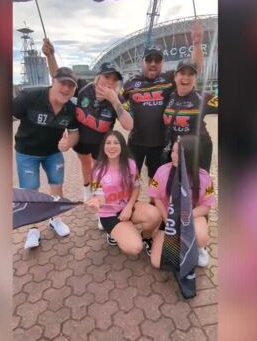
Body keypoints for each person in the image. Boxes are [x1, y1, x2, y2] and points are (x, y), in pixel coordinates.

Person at [42, 39, 133, 233]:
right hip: (80, 139)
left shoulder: (116, 98)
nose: (109, 82)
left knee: (101, 174)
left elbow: (128, 124)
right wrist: (50, 55)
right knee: (85, 165)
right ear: (98, 76)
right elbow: (58, 78)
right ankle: (85, 189)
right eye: (106, 77)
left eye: (114, 80)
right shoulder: (82, 87)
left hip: (101, 144)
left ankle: (103, 213)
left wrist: (114, 100)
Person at [122, 19, 204, 181]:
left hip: (160, 145)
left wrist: (196, 44)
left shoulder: (169, 78)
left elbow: (195, 69)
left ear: (162, 62)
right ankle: (129, 206)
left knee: (157, 184)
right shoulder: (130, 84)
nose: (153, 63)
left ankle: (154, 206)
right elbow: (117, 106)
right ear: (142, 61)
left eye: (157, 60)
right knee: (130, 180)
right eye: (149, 60)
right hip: (135, 143)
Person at [13, 67, 81, 249]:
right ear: (53, 81)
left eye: (71, 85)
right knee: (30, 191)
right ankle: (32, 229)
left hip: (53, 153)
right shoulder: (30, 96)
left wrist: (69, 143)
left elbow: (74, 134)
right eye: (63, 83)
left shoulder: (71, 109)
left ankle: (56, 220)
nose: (66, 89)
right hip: (27, 153)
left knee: (57, 186)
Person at [85, 131, 161, 255]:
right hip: (110, 214)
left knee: (155, 215)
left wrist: (129, 207)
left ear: (122, 146)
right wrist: (96, 203)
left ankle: (146, 237)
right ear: (103, 146)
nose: (112, 146)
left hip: (128, 207)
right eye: (108, 143)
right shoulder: (98, 170)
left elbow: (136, 188)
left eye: (116, 143)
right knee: (135, 247)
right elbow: (100, 199)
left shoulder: (130, 163)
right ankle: (114, 233)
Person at [148, 136, 215, 268]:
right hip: (170, 219)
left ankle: (200, 248)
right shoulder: (163, 171)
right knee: (157, 262)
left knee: (201, 236)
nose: (173, 156)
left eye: (178, 153)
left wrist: (185, 216)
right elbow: (156, 198)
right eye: (172, 151)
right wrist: (168, 220)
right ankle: (176, 242)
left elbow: (206, 207)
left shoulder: (203, 176)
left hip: (192, 217)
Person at [162, 60, 218, 171]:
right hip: (173, 149)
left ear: (195, 78)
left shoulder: (204, 97)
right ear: (175, 76)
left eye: (190, 74)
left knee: (197, 184)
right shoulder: (169, 96)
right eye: (182, 73)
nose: (186, 77)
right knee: (175, 183)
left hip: (199, 149)